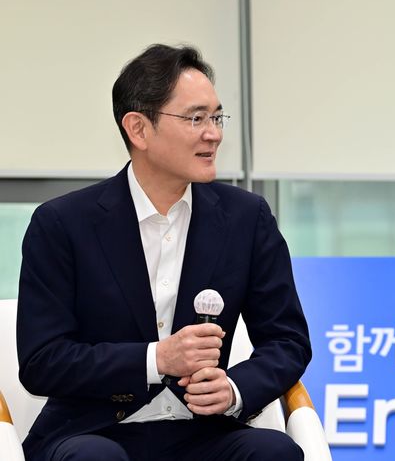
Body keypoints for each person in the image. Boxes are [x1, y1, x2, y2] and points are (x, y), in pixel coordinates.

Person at [16, 44, 311, 460]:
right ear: (138, 129)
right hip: (95, 432)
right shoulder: (62, 224)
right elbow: (42, 361)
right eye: (195, 118)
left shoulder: (246, 218)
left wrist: (234, 389)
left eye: (216, 117)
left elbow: (287, 339)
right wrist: (157, 359)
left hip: (204, 432)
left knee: (274, 452)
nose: (214, 133)